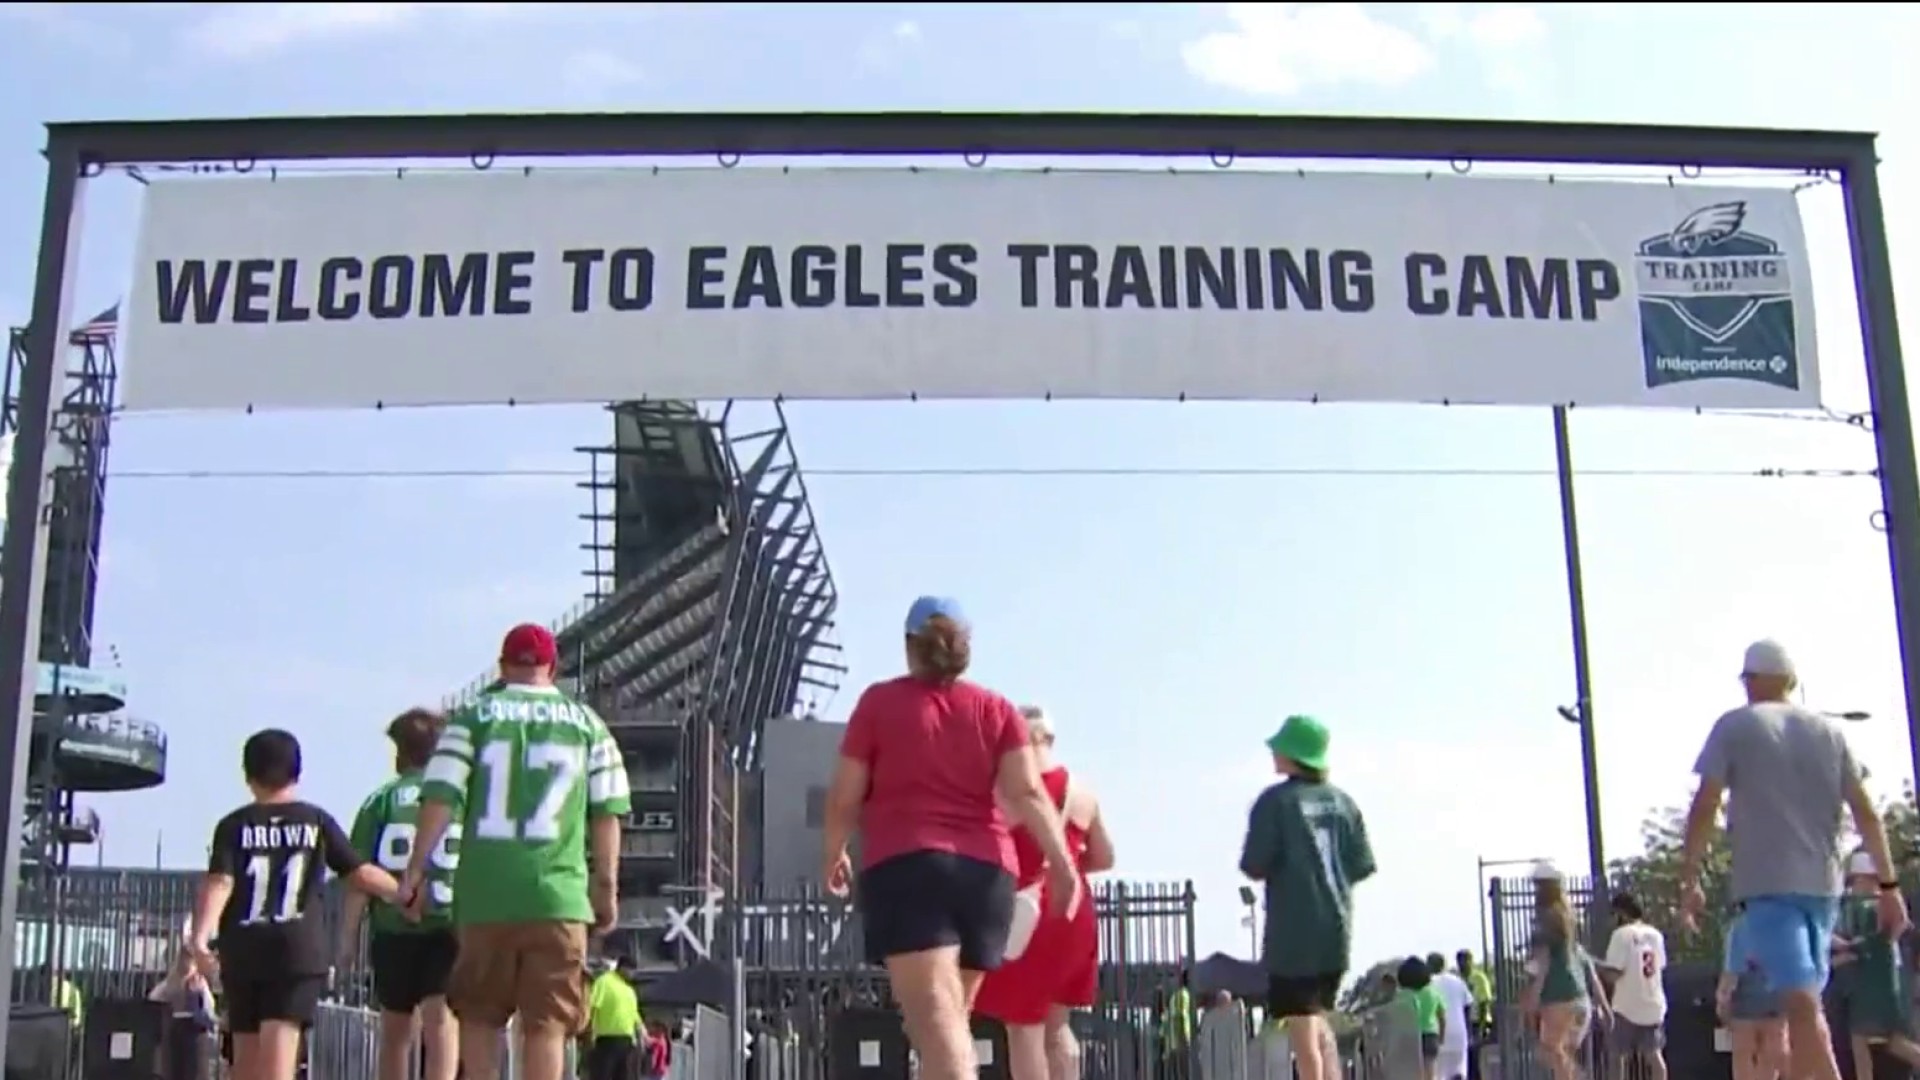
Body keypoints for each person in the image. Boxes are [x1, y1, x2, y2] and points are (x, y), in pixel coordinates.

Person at [820, 597, 1079, 1080]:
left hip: (910, 869)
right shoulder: (996, 709)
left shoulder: (879, 703)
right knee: (947, 1027)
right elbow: (1028, 792)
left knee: (939, 1030)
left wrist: (833, 851)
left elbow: (843, 796)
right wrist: (1062, 866)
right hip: (987, 880)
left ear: (908, 647)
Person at [407, 622, 633, 1080]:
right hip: (558, 897)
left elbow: (440, 799)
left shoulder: (471, 719)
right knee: (547, 1025)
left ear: (503, 665)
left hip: (484, 896)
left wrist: (414, 872)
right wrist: (605, 888)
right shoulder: (591, 728)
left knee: (479, 1014)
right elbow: (607, 813)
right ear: (553, 667)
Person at [1679, 640, 1909, 1080]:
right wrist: (1889, 886)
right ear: (1792, 681)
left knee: (1801, 1009)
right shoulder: (1831, 732)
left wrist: (1690, 878)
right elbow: (1865, 811)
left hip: (1767, 887)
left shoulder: (1735, 726)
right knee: (1800, 1010)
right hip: (1824, 889)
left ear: (1751, 682)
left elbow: (1705, 805)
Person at [187, 729, 403, 1080]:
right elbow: (357, 872)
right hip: (297, 951)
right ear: (297, 772)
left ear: (248, 775)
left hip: (243, 949)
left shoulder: (232, 825)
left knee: (245, 1061)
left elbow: (220, 882)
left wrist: (199, 937)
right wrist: (403, 893)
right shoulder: (315, 821)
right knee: (279, 1056)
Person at [973, 706, 1117, 1080]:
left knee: (1023, 1028)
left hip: (1029, 912)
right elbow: (1104, 857)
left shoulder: (1011, 788)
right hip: (1075, 910)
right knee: (1058, 1025)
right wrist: (1067, 866)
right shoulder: (1084, 793)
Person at [1238, 714, 1376, 1080]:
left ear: (1292, 754)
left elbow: (1254, 864)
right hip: (1336, 932)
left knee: (1303, 1037)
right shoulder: (1345, 803)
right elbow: (1361, 865)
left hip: (1292, 936)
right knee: (1314, 1022)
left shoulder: (1276, 802)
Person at [341, 708, 461, 1080]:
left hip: (393, 928)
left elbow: (359, 877)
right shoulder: (456, 801)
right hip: (447, 923)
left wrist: (346, 940)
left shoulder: (380, 801)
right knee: (441, 1022)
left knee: (395, 1030)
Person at [1521, 862, 1611, 1080]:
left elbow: (1544, 962)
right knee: (1562, 1053)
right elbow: (1585, 964)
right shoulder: (1567, 917)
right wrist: (1604, 1006)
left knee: (1550, 1049)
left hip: (1557, 993)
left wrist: (1533, 996)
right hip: (1579, 995)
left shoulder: (1545, 921)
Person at [1835, 849, 1920, 1080]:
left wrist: (1847, 950)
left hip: (1873, 983)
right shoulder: (1886, 903)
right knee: (1885, 1041)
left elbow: (1869, 942)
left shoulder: (1869, 907)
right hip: (1883, 978)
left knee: (1867, 1039)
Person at [1599, 892, 1668, 1080]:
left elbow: (1615, 973)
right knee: (1654, 1056)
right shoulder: (1655, 935)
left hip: (1627, 1005)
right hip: (1653, 1004)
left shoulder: (1621, 935)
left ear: (1621, 913)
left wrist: (1597, 969)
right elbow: (1659, 966)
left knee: (1618, 1057)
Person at [1718, 911, 1789, 1080]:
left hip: (1745, 1003)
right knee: (1771, 1057)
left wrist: (1723, 1001)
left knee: (1743, 1057)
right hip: (1776, 999)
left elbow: (1731, 971)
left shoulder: (1740, 926)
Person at [585, 959, 642, 1080]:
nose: (633, 975)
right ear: (622, 968)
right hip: (607, 1039)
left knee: (624, 1076)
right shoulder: (604, 982)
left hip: (626, 1041)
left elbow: (635, 1017)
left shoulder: (629, 990)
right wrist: (589, 1033)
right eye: (632, 971)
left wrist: (642, 1036)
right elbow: (592, 1007)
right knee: (602, 1075)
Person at [1396, 957, 1444, 1080]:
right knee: (1430, 1074)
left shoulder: (1402, 995)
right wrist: (1441, 1037)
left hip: (1409, 1037)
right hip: (1431, 1035)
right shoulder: (1433, 993)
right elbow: (1442, 1017)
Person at [1426, 952, 1472, 1080]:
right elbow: (1468, 1006)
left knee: (1439, 1075)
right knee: (1458, 1073)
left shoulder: (1428, 984)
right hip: (1459, 1034)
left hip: (1438, 1034)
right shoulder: (1458, 981)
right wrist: (1468, 1031)